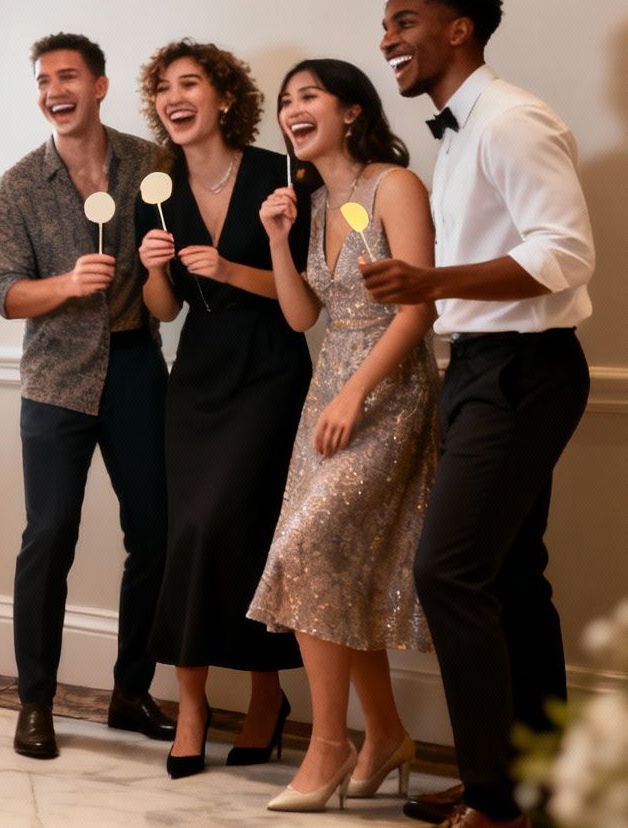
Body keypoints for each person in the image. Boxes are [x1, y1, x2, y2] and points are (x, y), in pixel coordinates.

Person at [361, 0, 596, 828]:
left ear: (458, 29)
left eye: (404, 21)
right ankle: (529, 784)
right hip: (479, 366)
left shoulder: (512, 119)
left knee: (448, 573)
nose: (387, 38)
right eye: (386, 23)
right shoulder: (459, 132)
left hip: (524, 370)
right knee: (509, 578)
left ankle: (497, 804)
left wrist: (431, 281)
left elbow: (565, 254)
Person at [248, 59, 440, 813]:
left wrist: (358, 392)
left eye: (309, 96)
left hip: (386, 393)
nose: (292, 110)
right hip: (325, 393)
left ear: (352, 110)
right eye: (285, 102)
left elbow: (419, 307)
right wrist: (276, 238)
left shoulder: (395, 185)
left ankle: (329, 745)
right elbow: (303, 317)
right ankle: (384, 733)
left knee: (308, 550)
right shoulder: (315, 201)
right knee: (341, 567)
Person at [0, 31, 176, 759]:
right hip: (55, 378)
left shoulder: (151, 166)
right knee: (49, 537)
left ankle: (131, 692)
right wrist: (66, 284)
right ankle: (35, 702)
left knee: (155, 535)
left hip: (136, 368)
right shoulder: (17, 185)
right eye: (42, 81)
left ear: (99, 85)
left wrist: (158, 269)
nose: (53, 91)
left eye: (66, 77)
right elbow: (5, 294)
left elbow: (169, 291)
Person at [134, 39, 309, 778]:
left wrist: (232, 268)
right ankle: (192, 705)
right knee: (190, 535)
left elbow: (307, 296)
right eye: (163, 89)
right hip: (198, 375)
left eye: (190, 84)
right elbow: (164, 310)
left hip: (270, 370)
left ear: (226, 97)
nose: (174, 98)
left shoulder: (280, 174)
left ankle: (267, 699)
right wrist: (151, 271)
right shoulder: (157, 189)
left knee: (251, 534)